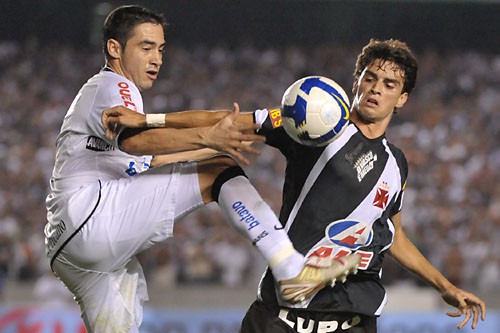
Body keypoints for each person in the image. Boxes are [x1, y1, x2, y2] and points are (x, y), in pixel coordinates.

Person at [103, 39, 487, 332]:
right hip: (280, 317)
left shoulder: (395, 163)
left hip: (354, 318)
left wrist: (444, 285)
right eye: (370, 78)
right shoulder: (313, 121)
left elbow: (393, 235)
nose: (375, 88)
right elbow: (229, 120)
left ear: (402, 98)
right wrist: (149, 120)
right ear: (356, 81)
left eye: (389, 84)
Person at [44, 5, 360, 333]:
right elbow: (135, 141)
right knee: (218, 169)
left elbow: (153, 160)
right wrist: (212, 143)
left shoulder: (102, 96)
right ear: (114, 48)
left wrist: (243, 128)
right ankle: (290, 267)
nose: (157, 59)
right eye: (146, 47)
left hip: (71, 248)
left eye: (161, 49)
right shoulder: (113, 85)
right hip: (89, 219)